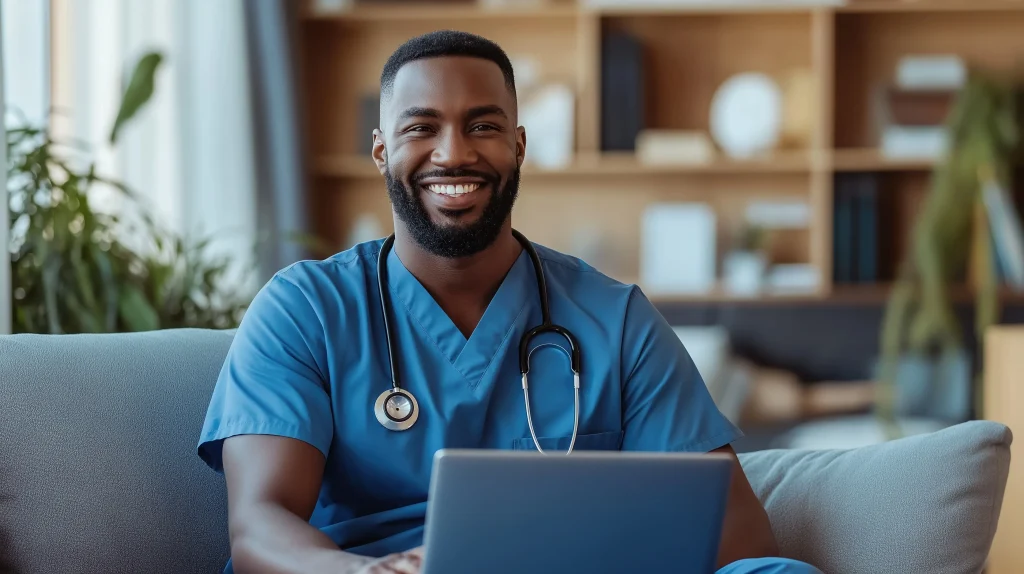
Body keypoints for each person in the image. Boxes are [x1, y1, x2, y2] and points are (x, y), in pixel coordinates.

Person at [197, 30, 822, 574]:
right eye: (421, 127)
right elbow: (259, 525)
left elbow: (738, 542)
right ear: (382, 149)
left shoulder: (616, 319)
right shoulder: (305, 309)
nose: (453, 152)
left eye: (483, 126)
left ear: (518, 146)